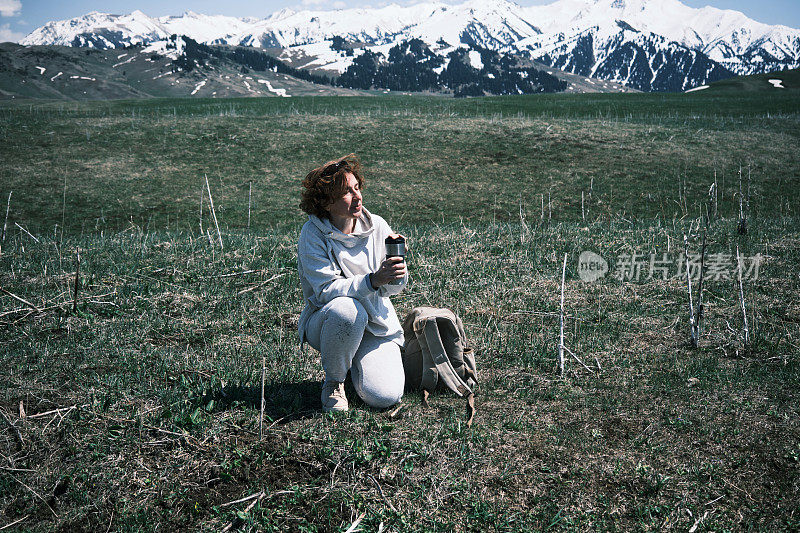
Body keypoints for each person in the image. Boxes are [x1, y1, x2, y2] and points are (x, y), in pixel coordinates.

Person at [297, 154, 408, 412]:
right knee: (348, 310)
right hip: (329, 320)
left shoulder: (376, 225)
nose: (357, 196)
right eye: (347, 192)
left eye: (357, 187)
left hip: (376, 325)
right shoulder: (312, 234)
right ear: (326, 202)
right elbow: (325, 291)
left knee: (384, 396)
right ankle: (334, 382)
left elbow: (392, 290)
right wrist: (372, 280)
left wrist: (396, 273)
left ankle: (359, 363)